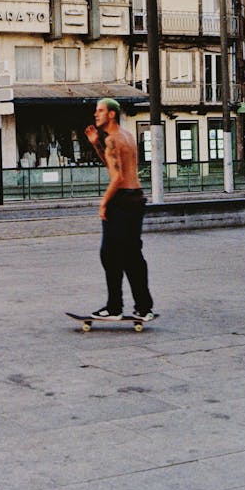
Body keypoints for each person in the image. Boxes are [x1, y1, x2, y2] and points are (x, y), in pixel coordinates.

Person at [84, 97, 154, 322]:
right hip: (136, 199)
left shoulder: (113, 139)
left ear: (111, 114)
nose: (96, 115)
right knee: (133, 255)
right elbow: (114, 165)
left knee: (110, 255)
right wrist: (96, 143)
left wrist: (104, 203)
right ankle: (144, 307)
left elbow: (117, 177)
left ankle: (114, 307)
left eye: (100, 111)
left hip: (121, 201)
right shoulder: (127, 136)